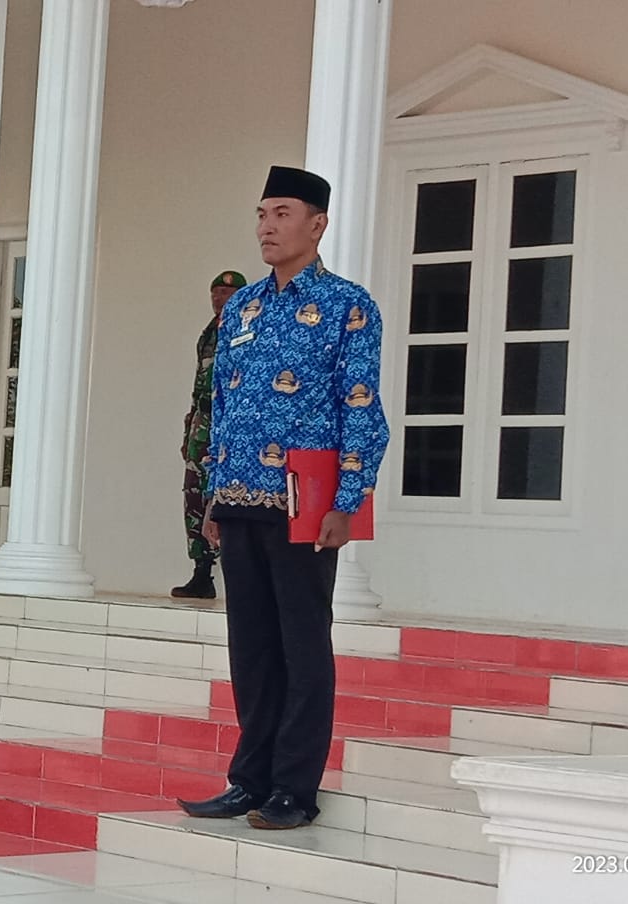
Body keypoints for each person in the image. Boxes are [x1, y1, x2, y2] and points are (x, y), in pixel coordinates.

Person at [177, 165, 389, 830]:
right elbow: (222, 406)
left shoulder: (348, 306)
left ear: (317, 224)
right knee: (251, 650)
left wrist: (348, 500)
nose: (267, 227)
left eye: (283, 214)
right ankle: (249, 779)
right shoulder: (241, 308)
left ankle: (294, 788)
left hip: (305, 503)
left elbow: (361, 408)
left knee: (302, 646)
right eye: (262, 214)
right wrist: (213, 498)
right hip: (239, 497)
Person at [173, 269, 246, 599]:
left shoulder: (245, 330)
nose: (219, 298)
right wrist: (190, 428)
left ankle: (236, 572)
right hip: (203, 423)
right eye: (215, 292)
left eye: (226, 294)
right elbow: (199, 385)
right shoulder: (209, 332)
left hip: (227, 423)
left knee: (223, 496)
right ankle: (202, 571)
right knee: (194, 494)